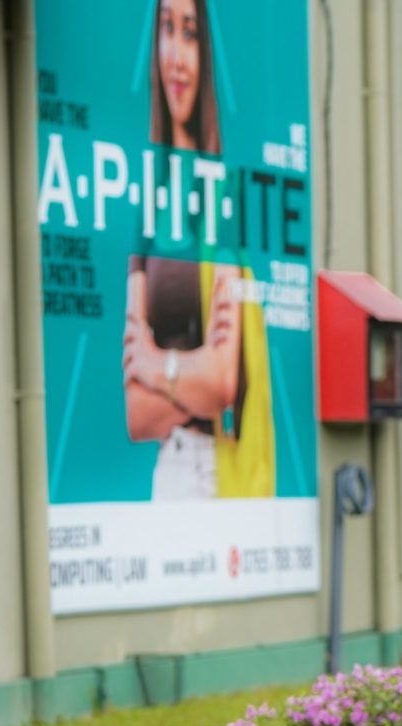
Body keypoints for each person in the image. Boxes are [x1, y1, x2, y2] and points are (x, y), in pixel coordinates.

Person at [122, 0, 276, 500]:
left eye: (189, 33)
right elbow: (137, 415)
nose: (177, 56)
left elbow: (222, 384)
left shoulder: (224, 197)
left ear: (206, 51)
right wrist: (195, 374)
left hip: (220, 469)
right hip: (168, 472)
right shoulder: (147, 211)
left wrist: (154, 365)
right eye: (167, 29)